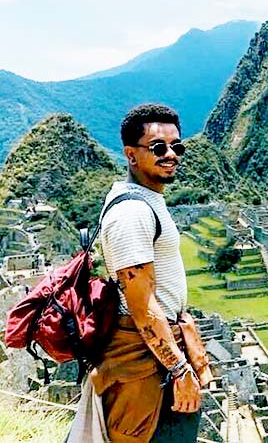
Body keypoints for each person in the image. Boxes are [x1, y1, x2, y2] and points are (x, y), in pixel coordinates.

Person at [68, 103, 210, 442]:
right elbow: (142, 306)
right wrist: (179, 369)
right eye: (158, 147)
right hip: (146, 363)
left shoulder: (147, 201)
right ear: (131, 155)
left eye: (177, 146)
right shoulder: (131, 213)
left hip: (158, 354)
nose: (170, 154)